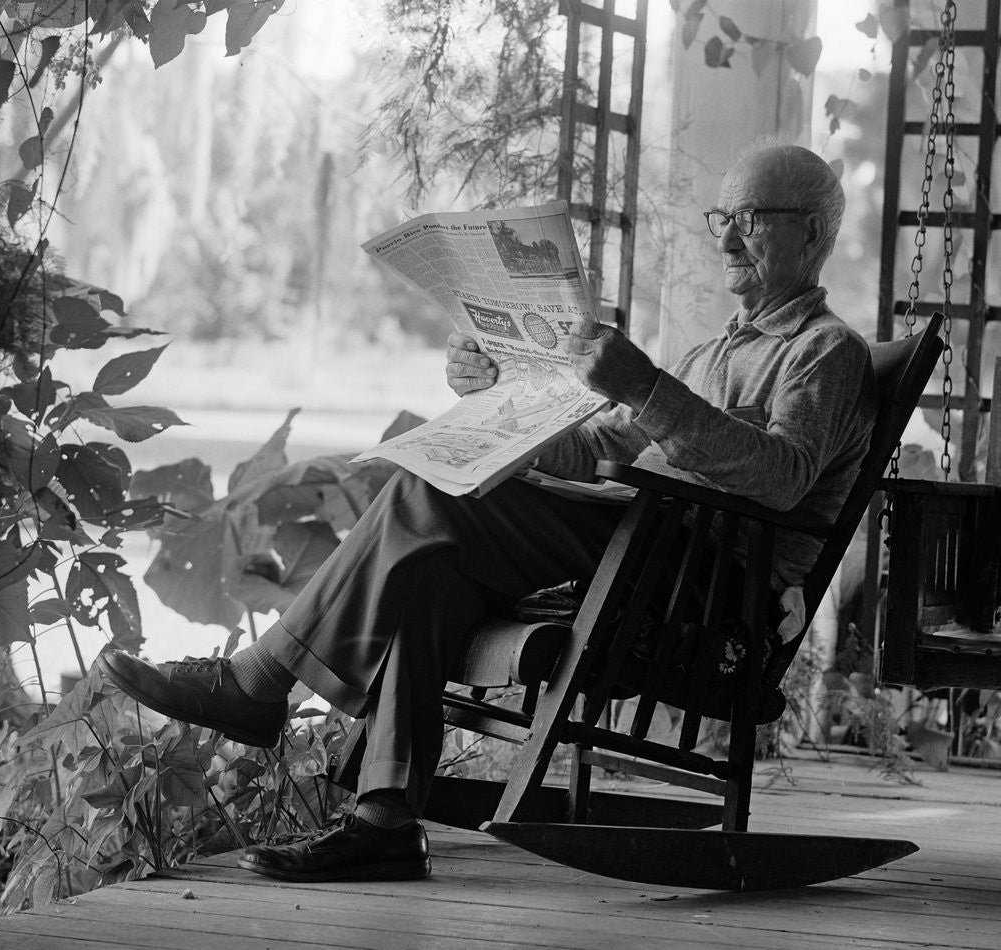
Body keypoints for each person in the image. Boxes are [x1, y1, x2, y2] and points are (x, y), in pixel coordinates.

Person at [101, 143, 878, 883]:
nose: (729, 236)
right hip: (633, 538)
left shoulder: (825, 352)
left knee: (423, 497)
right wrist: (500, 394)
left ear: (810, 231)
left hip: (703, 578)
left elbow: (781, 479)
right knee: (429, 562)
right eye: (723, 218)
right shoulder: (712, 353)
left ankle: (260, 680)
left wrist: (646, 388)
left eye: (750, 215)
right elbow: (597, 443)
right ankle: (385, 822)